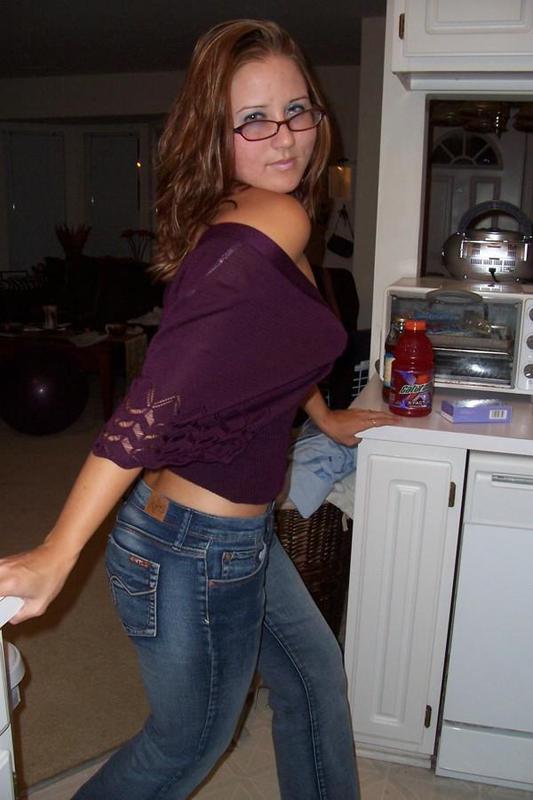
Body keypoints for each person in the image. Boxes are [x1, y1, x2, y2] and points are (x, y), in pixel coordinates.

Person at [0, 19, 395, 799]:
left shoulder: (253, 208)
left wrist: (324, 418)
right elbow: (154, 396)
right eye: (253, 119)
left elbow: (270, 348)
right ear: (215, 134)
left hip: (218, 534)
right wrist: (57, 549)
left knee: (312, 680)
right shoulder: (271, 221)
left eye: (296, 110)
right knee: (184, 747)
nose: (284, 136)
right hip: (198, 548)